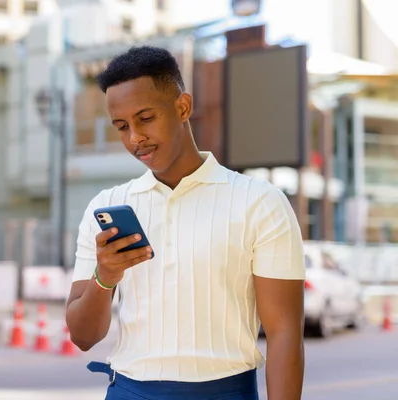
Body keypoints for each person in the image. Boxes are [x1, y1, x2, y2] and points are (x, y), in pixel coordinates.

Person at [65, 46, 305, 400]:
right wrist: (105, 276)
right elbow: (83, 337)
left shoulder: (260, 202)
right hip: (129, 392)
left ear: (182, 108)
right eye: (122, 126)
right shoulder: (106, 207)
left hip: (227, 392)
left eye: (145, 119)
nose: (135, 138)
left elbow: (285, 333)